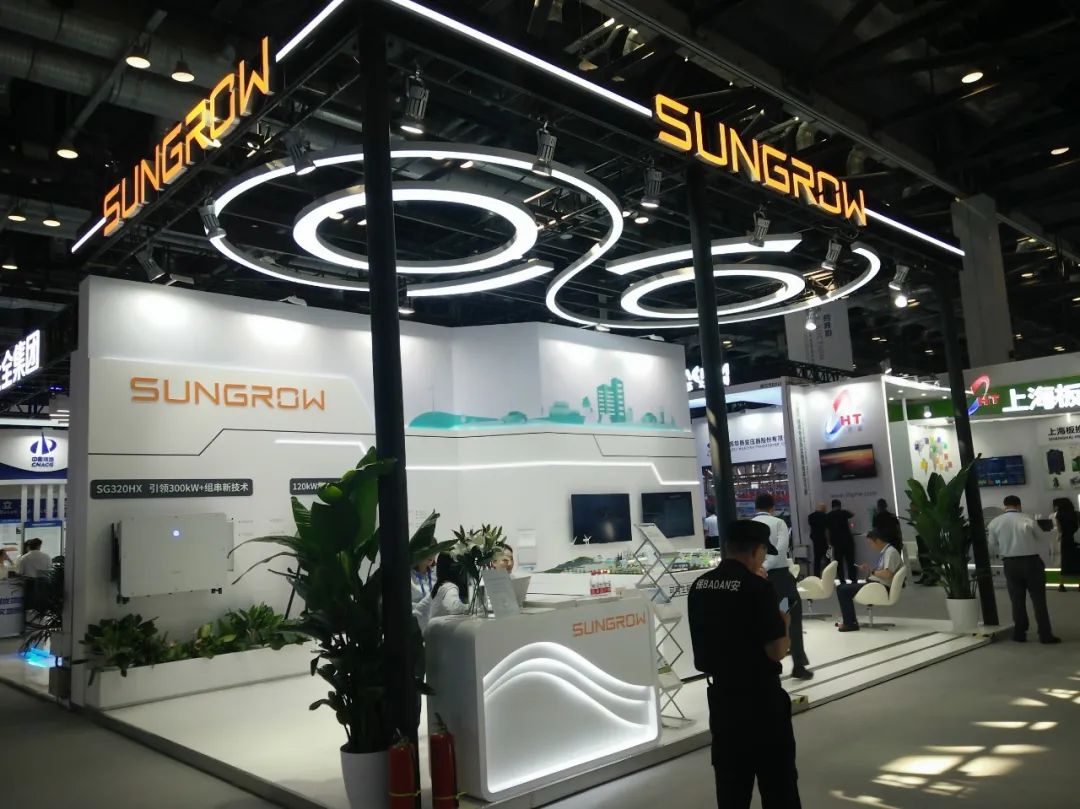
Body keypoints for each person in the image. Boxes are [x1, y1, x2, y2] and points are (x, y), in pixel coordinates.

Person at [688, 519, 800, 809]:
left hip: (723, 702)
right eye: (763, 553)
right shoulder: (758, 588)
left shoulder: (700, 585)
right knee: (779, 787)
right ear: (757, 551)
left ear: (727, 547)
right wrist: (784, 623)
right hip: (761, 701)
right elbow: (776, 651)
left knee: (731, 789)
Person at [754, 493, 812, 680]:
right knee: (791, 617)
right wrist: (765, 567)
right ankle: (798, 665)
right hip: (780, 582)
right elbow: (780, 550)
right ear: (772, 508)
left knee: (762, 622)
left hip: (756, 581)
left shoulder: (750, 526)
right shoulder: (779, 523)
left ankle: (765, 668)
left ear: (756, 507)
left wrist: (758, 568)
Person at [988, 495, 1060, 644]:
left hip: (1010, 564)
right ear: (1019, 505)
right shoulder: (1027, 519)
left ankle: (1019, 633)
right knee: (1039, 600)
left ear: (1004, 506)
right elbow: (1041, 538)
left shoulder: (995, 522)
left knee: (1017, 600)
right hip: (1031, 562)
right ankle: (1045, 635)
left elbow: (992, 544)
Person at [835, 529, 904, 631]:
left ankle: (850, 623)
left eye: (871, 543)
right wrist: (870, 571)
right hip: (877, 584)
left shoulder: (890, 553)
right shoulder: (888, 552)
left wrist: (873, 572)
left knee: (842, 589)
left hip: (880, 587)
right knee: (843, 588)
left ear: (878, 541)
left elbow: (887, 573)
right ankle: (849, 621)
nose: (871, 546)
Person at [825, 499, 857, 584]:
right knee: (850, 561)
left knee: (839, 563)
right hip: (847, 541)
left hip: (836, 542)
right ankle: (853, 579)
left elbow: (827, 531)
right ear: (839, 505)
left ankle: (842, 580)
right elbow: (852, 514)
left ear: (832, 506)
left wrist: (829, 542)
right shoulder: (843, 513)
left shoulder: (828, 516)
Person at [1054, 498, 1079, 592]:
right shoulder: (1076, 514)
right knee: (1077, 561)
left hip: (1065, 540)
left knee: (1065, 562)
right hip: (1076, 540)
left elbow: (1059, 530)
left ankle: (1062, 585)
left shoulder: (1058, 515)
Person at [806, 503, 829, 576]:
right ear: (823, 509)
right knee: (828, 559)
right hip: (824, 540)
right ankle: (828, 576)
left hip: (815, 540)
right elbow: (827, 527)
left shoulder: (811, 516)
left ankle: (816, 576)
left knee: (817, 560)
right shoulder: (825, 516)